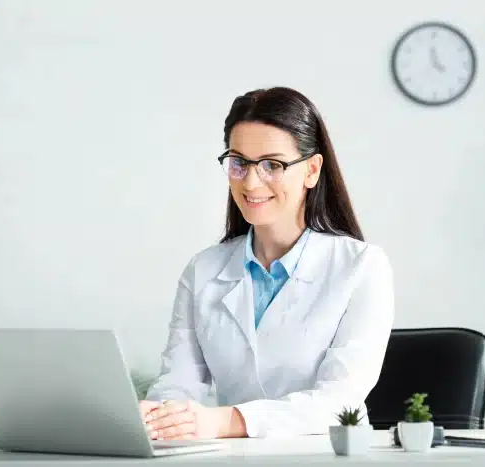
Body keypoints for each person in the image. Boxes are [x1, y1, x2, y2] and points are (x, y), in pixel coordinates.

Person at [139, 87, 394, 440]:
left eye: (272, 165)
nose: (251, 181)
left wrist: (226, 422)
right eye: (239, 163)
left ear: (312, 171)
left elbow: (340, 401)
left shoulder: (362, 267)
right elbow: (178, 382)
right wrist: (159, 416)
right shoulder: (203, 270)